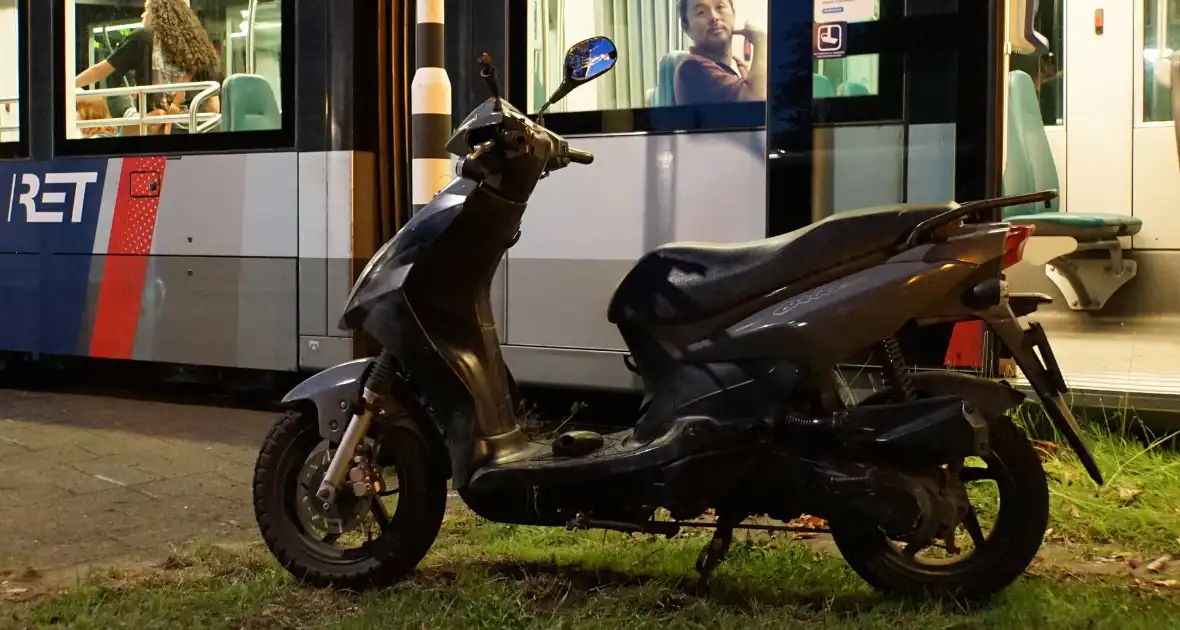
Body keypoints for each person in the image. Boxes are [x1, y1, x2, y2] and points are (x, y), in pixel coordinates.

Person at [74, 0, 222, 135]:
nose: (143, 14)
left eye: (147, 9)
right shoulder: (199, 47)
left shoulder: (142, 38)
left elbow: (100, 71)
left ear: (157, 14)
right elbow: (213, 107)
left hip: (156, 128)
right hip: (193, 127)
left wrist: (69, 84)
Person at [673, 0, 767, 105]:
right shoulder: (691, 68)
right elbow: (757, 105)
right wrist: (761, 41)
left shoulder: (739, 66)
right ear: (686, 27)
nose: (714, 17)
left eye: (720, 7)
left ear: (733, 13)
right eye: (701, 12)